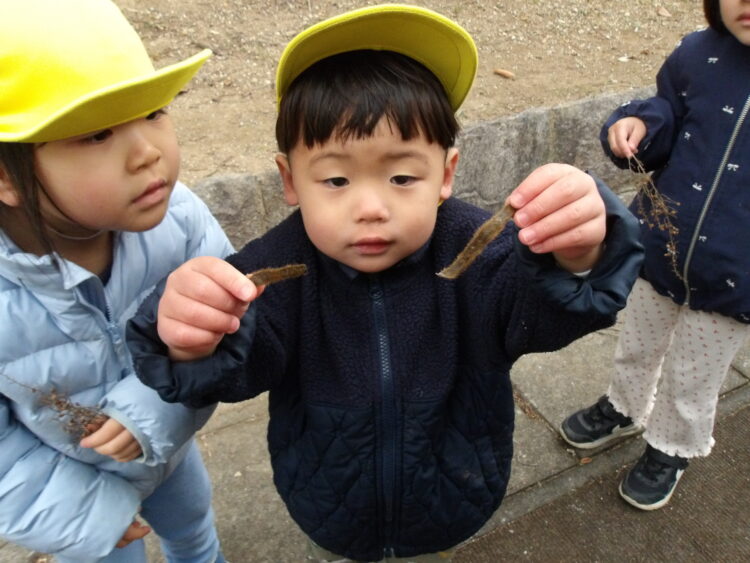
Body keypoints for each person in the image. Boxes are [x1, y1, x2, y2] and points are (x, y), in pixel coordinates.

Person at [127, 5, 643, 562]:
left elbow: (545, 315)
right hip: (328, 503)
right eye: (336, 179)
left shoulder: (478, 255)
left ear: (445, 174)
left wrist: (578, 253)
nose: (371, 207)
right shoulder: (273, 270)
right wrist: (192, 340)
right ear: (290, 180)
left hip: (455, 494)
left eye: (401, 176)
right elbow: (239, 371)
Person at [0, 1, 232, 561]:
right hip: (70, 487)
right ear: (6, 175)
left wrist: (155, 410)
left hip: (169, 449)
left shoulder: (180, 219)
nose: (148, 152)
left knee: (193, 528)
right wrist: (85, 515)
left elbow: (237, 326)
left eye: (154, 111)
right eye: (99, 133)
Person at [559, 0, 750, 511]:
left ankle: (671, 445)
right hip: (662, 244)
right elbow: (668, 110)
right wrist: (639, 125)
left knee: (695, 373)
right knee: (637, 342)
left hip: (737, 273)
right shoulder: (698, 53)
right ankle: (624, 405)